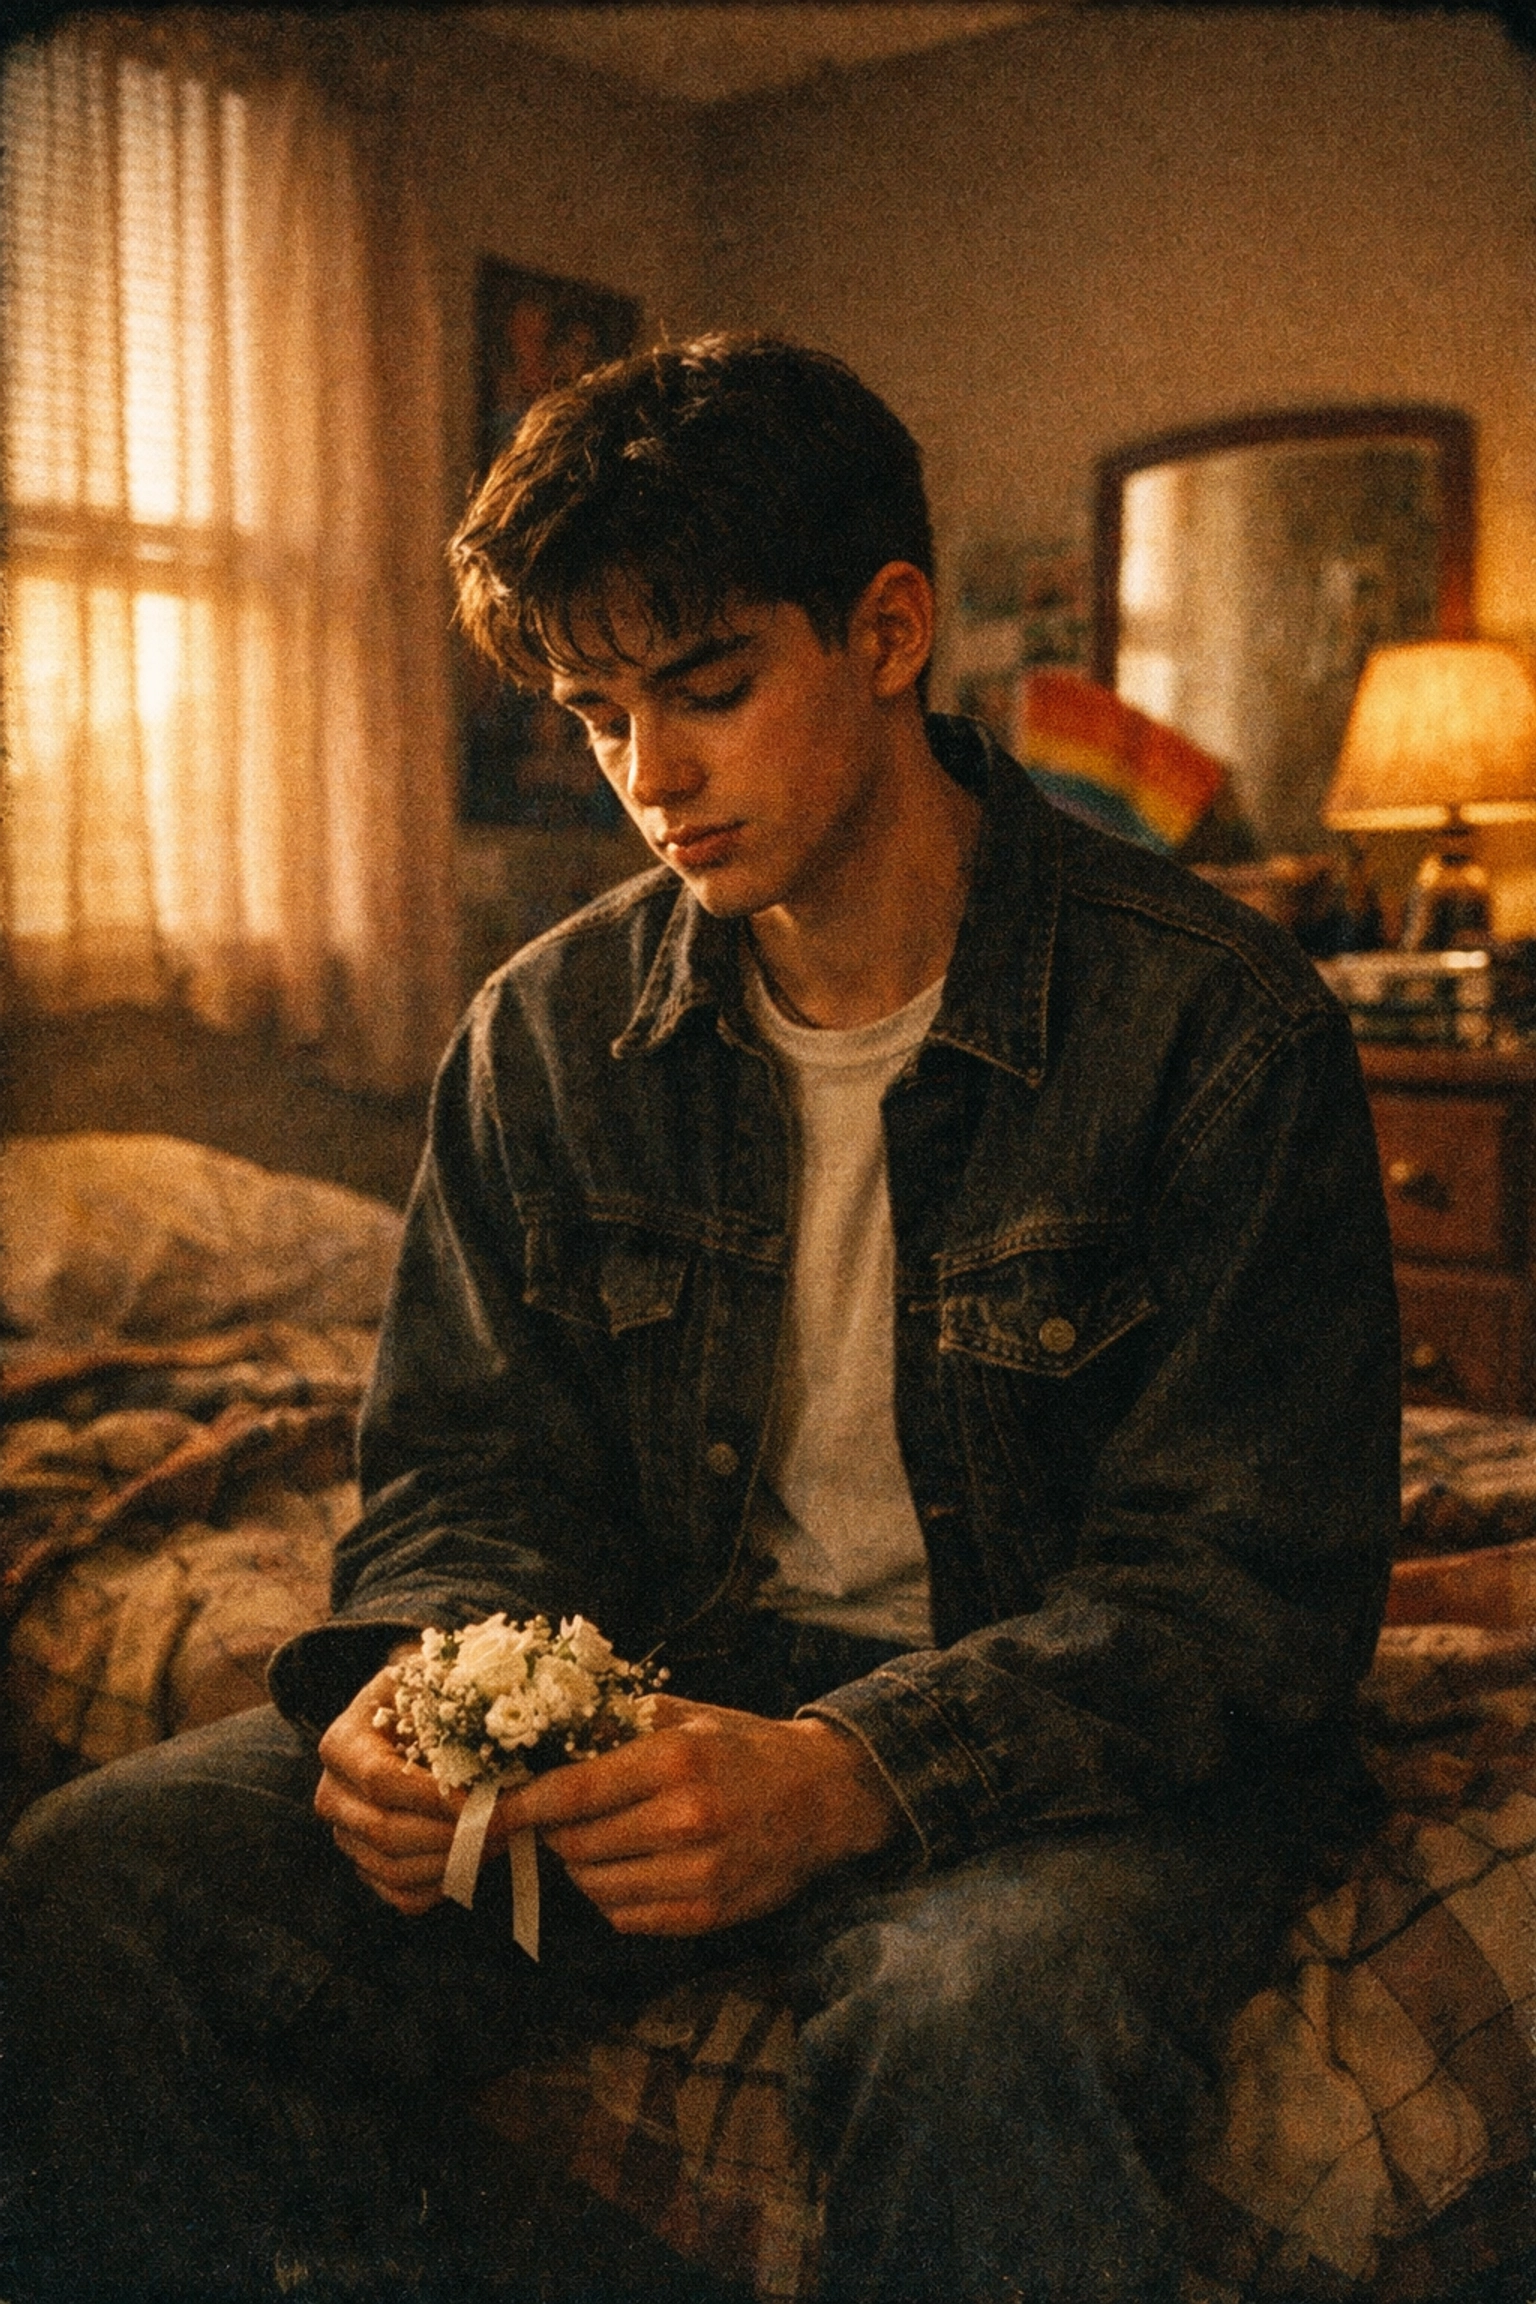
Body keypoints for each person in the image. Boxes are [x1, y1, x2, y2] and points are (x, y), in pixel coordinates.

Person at [1, 334, 1400, 2304]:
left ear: (891, 629)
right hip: (659, 1698)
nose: (649, 778)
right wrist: (418, 1690)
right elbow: (462, 1472)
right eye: (597, 717)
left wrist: (842, 1773)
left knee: (969, 2019)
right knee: (98, 1874)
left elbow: (1240, 1599)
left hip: (1055, 1749)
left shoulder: (1217, 1025)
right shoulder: (543, 1035)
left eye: (708, 690)